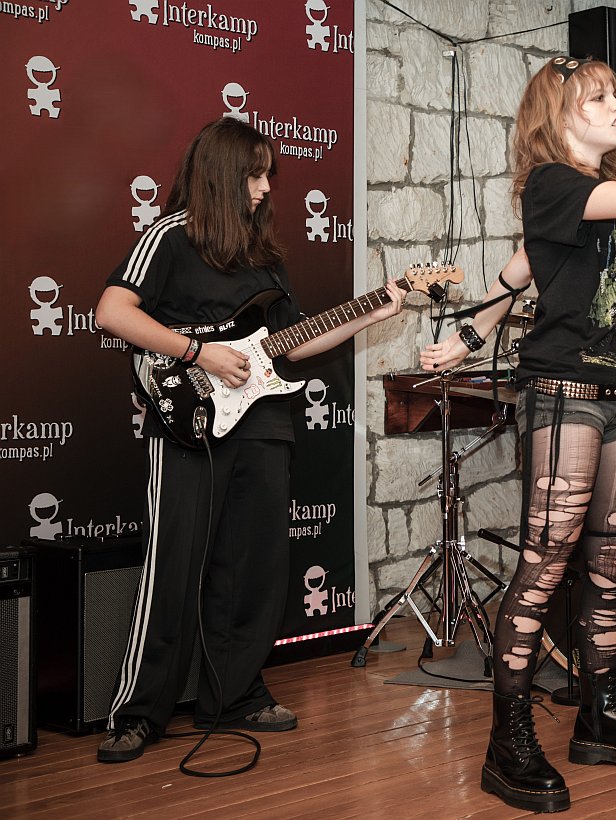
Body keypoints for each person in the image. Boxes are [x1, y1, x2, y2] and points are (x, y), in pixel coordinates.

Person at [420, 56, 616, 813]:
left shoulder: (589, 196)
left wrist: (471, 332)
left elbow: (524, 267)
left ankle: (600, 713)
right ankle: (507, 742)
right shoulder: (550, 183)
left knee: (612, 565)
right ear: (559, 115)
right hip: (565, 391)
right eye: (599, 97)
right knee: (546, 562)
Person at [95, 117, 406, 763]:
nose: (265, 188)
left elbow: (291, 344)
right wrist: (197, 352)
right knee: (173, 567)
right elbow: (112, 312)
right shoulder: (170, 235)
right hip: (187, 420)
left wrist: (374, 309)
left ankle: (232, 697)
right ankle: (140, 712)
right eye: (255, 175)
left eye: (268, 176)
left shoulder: (264, 256)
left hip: (263, 423)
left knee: (253, 569)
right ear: (221, 174)